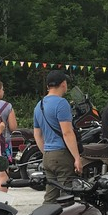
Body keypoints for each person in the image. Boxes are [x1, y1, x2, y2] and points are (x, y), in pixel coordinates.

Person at [33, 70, 81, 203]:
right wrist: (77, 158)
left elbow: (37, 134)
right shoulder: (62, 103)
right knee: (67, 196)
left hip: (47, 155)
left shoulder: (39, 105)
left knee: (50, 197)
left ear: (48, 86)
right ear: (63, 84)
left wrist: (45, 152)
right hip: (62, 154)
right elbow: (67, 133)